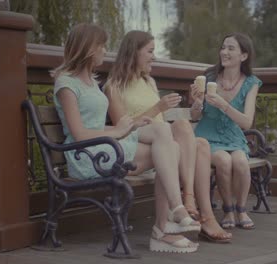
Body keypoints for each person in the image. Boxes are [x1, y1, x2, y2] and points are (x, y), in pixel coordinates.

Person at [52, 23, 200, 253]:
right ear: (89, 48)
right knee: (167, 150)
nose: (104, 50)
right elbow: (79, 133)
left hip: (106, 145)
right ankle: (165, 225)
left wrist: (129, 126)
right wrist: (118, 131)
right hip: (87, 154)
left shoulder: (91, 81)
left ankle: (174, 213)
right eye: (101, 46)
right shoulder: (66, 84)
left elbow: (97, 124)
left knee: (164, 137)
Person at [104, 30, 232, 243]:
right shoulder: (113, 86)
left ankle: (197, 209)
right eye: (150, 51)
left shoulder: (149, 82)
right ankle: (195, 209)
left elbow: (164, 121)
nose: (154, 57)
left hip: (164, 143)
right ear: (133, 53)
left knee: (199, 142)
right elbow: (122, 127)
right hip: (142, 146)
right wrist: (157, 108)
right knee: (186, 133)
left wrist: (195, 104)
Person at [190, 33, 262, 230]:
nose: (224, 52)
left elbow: (246, 123)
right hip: (207, 136)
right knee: (223, 160)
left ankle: (241, 209)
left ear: (244, 56)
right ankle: (228, 209)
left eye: (231, 48)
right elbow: (195, 116)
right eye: (223, 47)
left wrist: (223, 104)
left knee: (240, 162)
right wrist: (196, 102)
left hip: (233, 136)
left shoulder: (251, 83)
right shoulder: (208, 77)